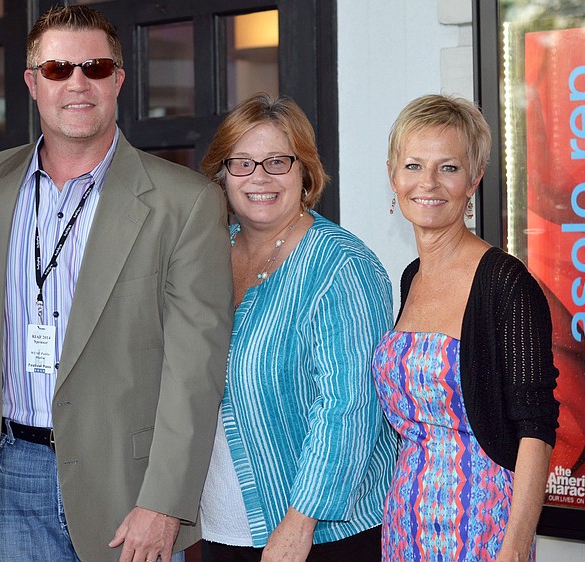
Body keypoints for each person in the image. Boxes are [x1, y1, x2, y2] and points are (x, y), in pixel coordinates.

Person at [0, 5, 233, 562]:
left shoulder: (186, 202)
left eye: (95, 67)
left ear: (118, 80)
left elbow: (194, 370)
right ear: (32, 82)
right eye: (57, 69)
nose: (77, 83)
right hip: (7, 484)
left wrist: (165, 503)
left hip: (128, 495)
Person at [197, 93, 398, 562]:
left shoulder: (342, 264)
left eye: (277, 161)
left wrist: (300, 521)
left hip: (319, 535)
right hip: (223, 524)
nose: (259, 178)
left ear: (305, 171)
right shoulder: (206, 255)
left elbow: (348, 405)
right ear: (222, 175)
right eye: (241, 162)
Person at [373, 93, 560, 560]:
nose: (428, 183)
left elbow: (536, 427)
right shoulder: (411, 278)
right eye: (413, 165)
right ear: (393, 174)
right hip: (404, 522)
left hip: (483, 526)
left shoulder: (506, 283)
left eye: (449, 168)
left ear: (474, 178)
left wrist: (516, 545)